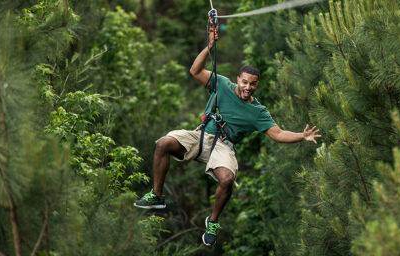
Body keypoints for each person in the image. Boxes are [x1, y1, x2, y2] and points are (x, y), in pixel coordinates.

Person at [133, 27, 322, 246]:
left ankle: (212, 222)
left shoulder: (258, 112)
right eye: (244, 82)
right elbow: (195, 71)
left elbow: (278, 134)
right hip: (201, 135)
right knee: (163, 143)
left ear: (256, 85)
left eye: (253, 84)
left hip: (223, 145)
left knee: (227, 179)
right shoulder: (221, 84)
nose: (248, 87)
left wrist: (301, 135)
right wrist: (210, 46)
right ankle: (157, 195)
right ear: (238, 80)